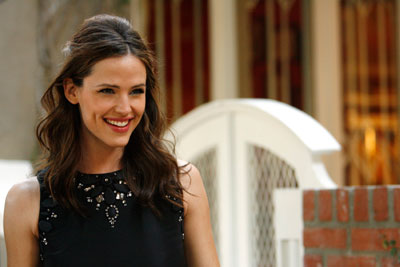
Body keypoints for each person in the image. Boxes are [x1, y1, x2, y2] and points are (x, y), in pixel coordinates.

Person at [3, 14, 219, 267]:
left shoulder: (181, 184)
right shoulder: (26, 202)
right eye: (108, 91)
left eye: (136, 91)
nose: (125, 108)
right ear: (72, 91)